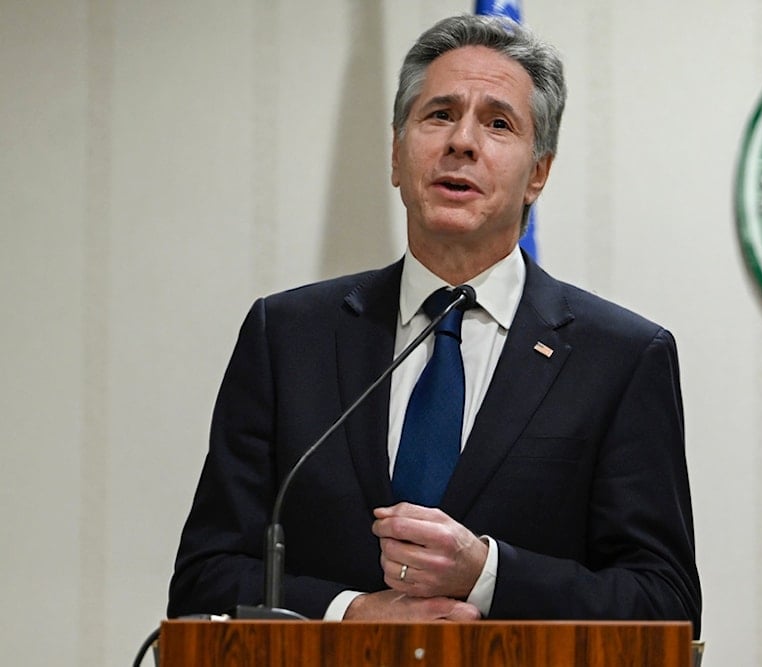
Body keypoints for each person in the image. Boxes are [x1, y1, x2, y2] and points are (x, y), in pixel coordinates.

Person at [167, 14, 701, 634]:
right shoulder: (287, 336)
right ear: (396, 154)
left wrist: (488, 573)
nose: (462, 142)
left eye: (498, 123)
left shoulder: (621, 357)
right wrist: (351, 613)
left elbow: (664, 603)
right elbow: (205, 576)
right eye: (439, 115)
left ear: (538, 173)